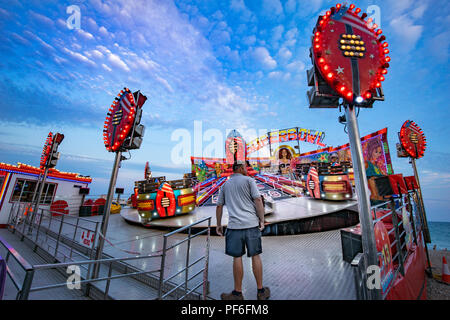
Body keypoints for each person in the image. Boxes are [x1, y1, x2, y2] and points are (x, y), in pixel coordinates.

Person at [216, 160, 270, 300]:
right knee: (256, 256)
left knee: (237, 258)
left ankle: (237, 293)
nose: (247, 169)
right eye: (245, 167)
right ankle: (261, 291)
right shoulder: (249, 181)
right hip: (251, 225)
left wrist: (218, 224)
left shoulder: (225, 185)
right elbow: (258, 200)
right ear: (240, 168)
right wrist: (262, 220)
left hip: (234, 227)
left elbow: (219, 206)